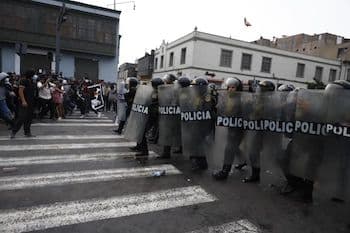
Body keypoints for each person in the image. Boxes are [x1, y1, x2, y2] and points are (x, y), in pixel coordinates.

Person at [243, 80, 275, 183]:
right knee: (253, 152)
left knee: (275, 155)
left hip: (267, 131)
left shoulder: (272, 102)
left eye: (262, 89)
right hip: (257, 130)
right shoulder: (256, 100)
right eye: (260, 89)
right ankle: (255, 174)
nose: (259, 91)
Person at [212, 77, 244, 180]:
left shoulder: (242, 99)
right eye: (229, 87)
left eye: (233, 87)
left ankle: (225, 171)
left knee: (229, 148)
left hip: (239, 128)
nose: (230, 89)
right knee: (233, 147)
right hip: (231, 126)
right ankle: (244, 160)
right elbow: (221, 110)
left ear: (238, 88)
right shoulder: (226, 98)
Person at [11, 70, 36, 138]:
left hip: (31, 102)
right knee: (22, 117)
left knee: (29, 118)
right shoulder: (23, 80)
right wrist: (23, 101)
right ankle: (14, 131)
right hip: (24, 102)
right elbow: (20, 91)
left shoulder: (31, 81)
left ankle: (27, 132)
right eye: (33, 74)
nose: (34, 76)